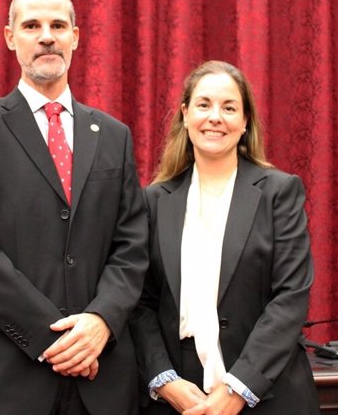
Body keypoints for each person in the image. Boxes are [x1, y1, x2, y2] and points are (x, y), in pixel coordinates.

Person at [0, 0, 148, 415]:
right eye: (32, 25)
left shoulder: (114, 135)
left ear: (76, 36)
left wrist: (100, 322)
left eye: (58, 25)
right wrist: (54, 338)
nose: (47, 36)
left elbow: (132, 245)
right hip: (5, 375)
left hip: (103, 375)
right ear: (9, 37)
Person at [130, 60, 320, 414]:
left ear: (245, 121)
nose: (215, 117)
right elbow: (139, 303)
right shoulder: (154, 201)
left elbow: (290, 297)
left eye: (229, 107)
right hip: (179, 398)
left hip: (266, 391)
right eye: (203, 105)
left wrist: (238, 389)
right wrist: (165, 380)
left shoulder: (279, 192)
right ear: (185, 115)